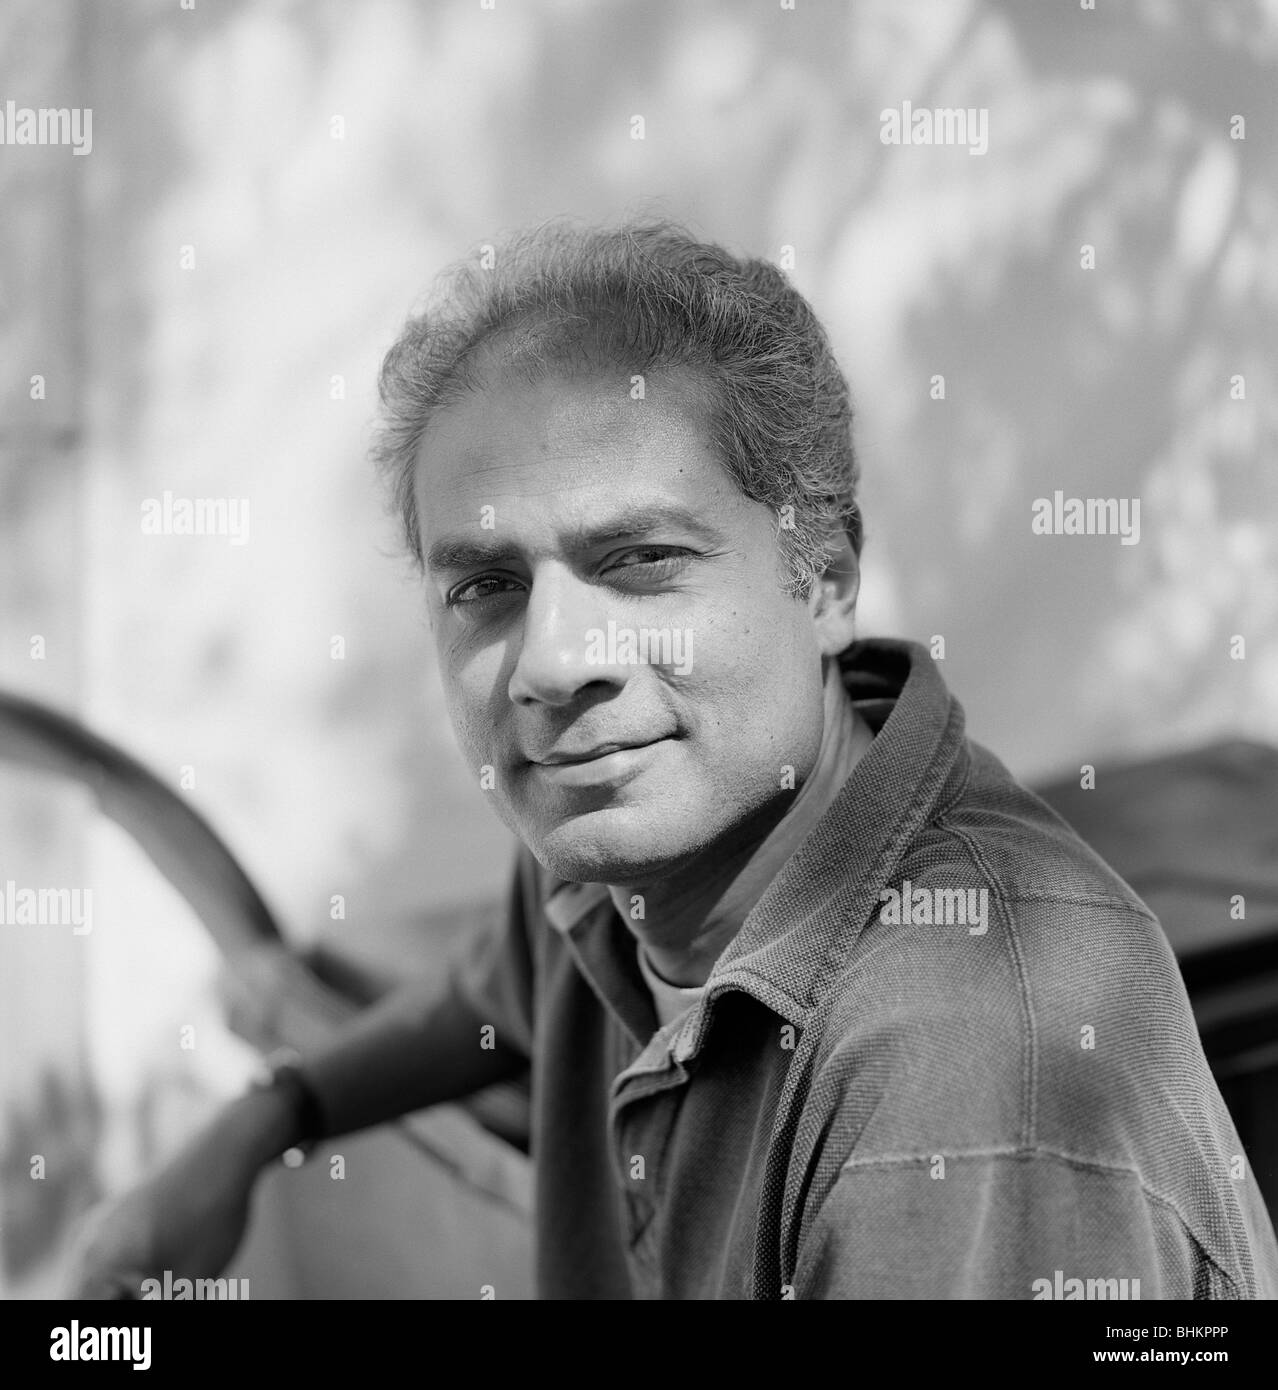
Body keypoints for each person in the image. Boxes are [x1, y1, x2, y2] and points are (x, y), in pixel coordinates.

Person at [73, 221, 1278, 1300]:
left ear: (826, 577)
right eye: (487, 586)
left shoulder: (961, 1068)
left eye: (642, 560)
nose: (552, 663)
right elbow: (484, 1000)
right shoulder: (609, 867)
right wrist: (265, 1120)